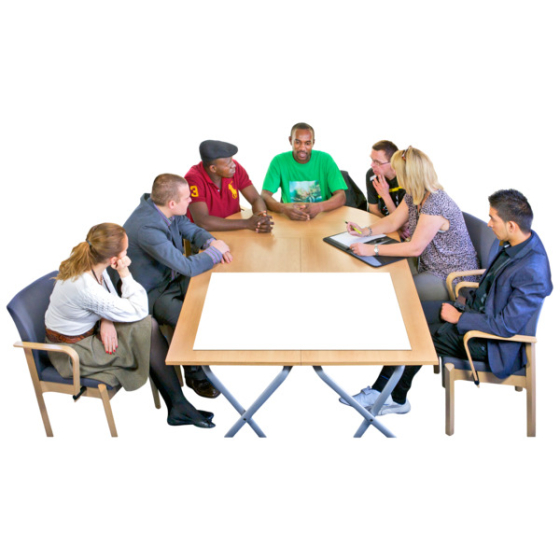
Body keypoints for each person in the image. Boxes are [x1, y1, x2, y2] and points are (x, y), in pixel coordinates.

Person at [342, 189, 553, 415]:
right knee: (410, 314)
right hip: (474, 313)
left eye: (493, 218)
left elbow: (506, 326)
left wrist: (461, 317)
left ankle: (391, 396)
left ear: (512, 225)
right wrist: (462, 303)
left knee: (416, 336)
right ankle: (389, 393)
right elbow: (491, 287)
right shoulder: (517, 242)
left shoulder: (532, 270)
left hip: (489, 343)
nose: (489, 224)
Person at [45, 223, 215, 428]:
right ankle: (178, 407)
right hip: (73, 352)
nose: (128, 253)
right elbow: (138, 309)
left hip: (89, 332)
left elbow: (112, 300)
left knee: (148, 327)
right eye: (125, 250)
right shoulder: (86, 285)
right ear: (113, 259)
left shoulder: (93, 265)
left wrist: (106, 319)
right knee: (147, 328)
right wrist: (124, 272)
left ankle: (178, 407)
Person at [123, 173, 233, 399]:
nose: (191, 200)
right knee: (189, 320)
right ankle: (196, 375)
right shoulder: (148, 228)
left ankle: (217, 346)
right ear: (172, 203)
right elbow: (186, 266)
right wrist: (216, 252)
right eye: (186, 198)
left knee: (212, 289)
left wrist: (210, 242)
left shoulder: (165, 209)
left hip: (170, 278)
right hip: (152, 293)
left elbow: (189, 228)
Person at [347, 146, 478, 301]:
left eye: (396, 171)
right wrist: (365, 231)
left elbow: (415, 248)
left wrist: (372, 249)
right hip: (428, 265)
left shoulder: (435, 202)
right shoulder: (413, 195)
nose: (394, 174)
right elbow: (393, 221)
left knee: (393, 289)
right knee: (384, 273)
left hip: (451, 276)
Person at [261, 122, 347, 220]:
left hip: (323, 217)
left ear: (313, 143)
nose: (302, 148)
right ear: (290, 140)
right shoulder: (279, 161)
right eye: (297, 142)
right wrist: (284, 208)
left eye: (307, 143)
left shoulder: (325, 160)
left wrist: (319, 207)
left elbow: (341, 196)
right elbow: (264, 195)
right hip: (291, 219)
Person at [185, 140, 273, 233]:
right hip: (205, 235)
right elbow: (202, 221)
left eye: (232, 160)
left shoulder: (235, 169)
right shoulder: (193, 179)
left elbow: (255, 198)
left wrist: (261, 218)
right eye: (229, 164)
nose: (234, 165)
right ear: (213, 168)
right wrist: (247, 223)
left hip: (235, 228)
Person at [366, 140, 409, 239]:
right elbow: (373, 209)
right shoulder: (372, 175)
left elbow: (404, 223)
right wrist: (392, 227)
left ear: (393, 163)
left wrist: (385, 195)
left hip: (403, 228)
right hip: (383, 224)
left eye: (377, 162)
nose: (372, 165)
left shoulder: (405, 180)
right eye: (372, 160)